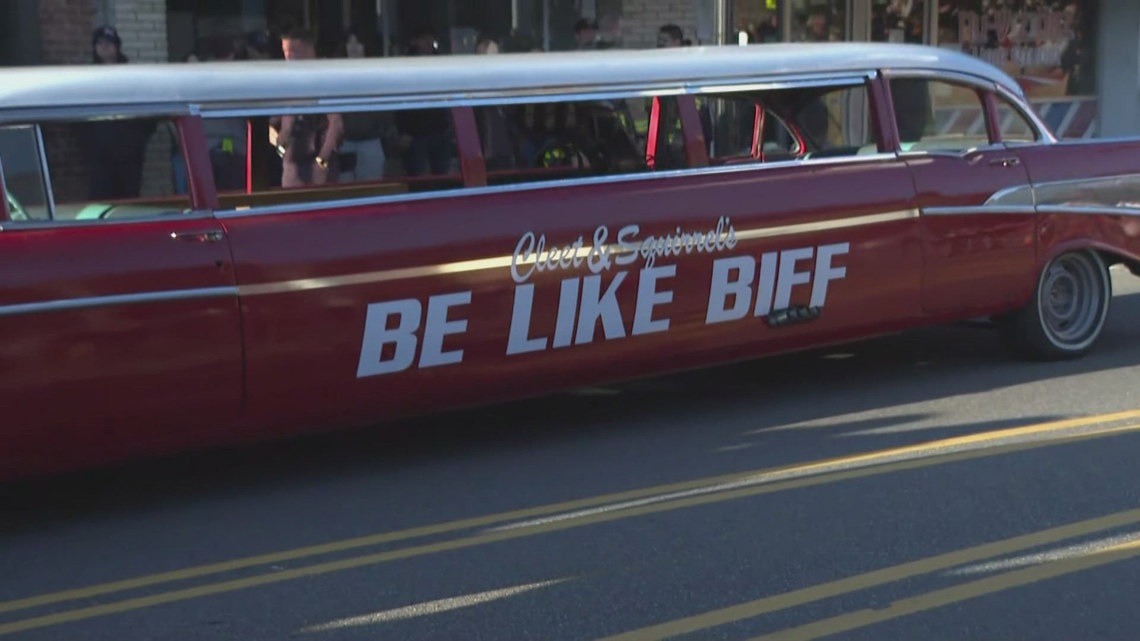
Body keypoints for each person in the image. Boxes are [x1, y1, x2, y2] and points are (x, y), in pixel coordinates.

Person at [79, 26, 157, 200]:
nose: (104, 47)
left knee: (129, 202)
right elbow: (77, 116)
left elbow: (150, 112)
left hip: (129, 156)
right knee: (100, 203)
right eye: (100, 43)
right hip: (100, 157)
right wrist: (91, 143)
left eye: (109, 43)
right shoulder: (87, 78)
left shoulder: (131, 76)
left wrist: (137, 139)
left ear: (117, 46)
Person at [273, 29, 344, 187]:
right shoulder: (285, 80)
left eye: (292, 51)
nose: (288, 57)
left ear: (308, 49)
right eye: (285, 52)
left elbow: (336, 123)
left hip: (318, 158)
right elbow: (272, 121)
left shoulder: (323, 77)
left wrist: (322, 162)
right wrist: (280, 147)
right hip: (292, 162)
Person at [336, 28, 391, 182]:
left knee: (371, 189)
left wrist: (382, 128)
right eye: (349, 42)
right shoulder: (336, 74)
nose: (353, 47)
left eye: (358, 42)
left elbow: (385, 105)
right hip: (344, 142)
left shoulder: (376, 73)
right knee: (344, 190)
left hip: (370, 140)